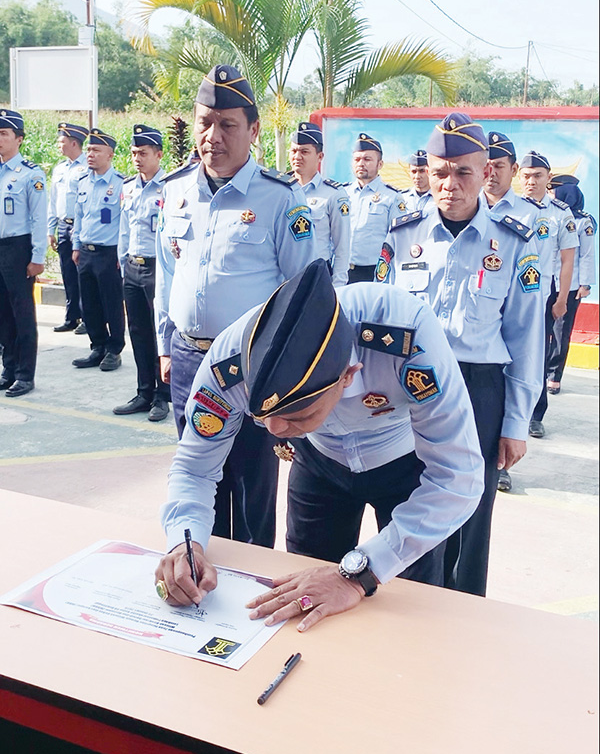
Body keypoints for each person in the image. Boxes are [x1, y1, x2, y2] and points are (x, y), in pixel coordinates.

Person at [154, 259, 484, 630]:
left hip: (405, 466)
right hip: (319, 461)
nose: (275, 430)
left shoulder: (406, 335)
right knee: (302, 599)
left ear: (347, 376)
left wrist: (359, 574)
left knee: (406, 607)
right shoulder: (228, 361)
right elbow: (194, 465)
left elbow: (459, 477)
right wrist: (186, 541)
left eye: (297, 415)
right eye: (261, 416)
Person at [375, 113, 544, 597]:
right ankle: (411, 602)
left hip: (478, 388)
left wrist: (515, 422)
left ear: (485, 172)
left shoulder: (514, 242)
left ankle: (463, 612)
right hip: (410, 383)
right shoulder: (404, 232)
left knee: (471, 510)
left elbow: (526, 337)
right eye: (440, 172)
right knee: (408, 497)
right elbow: (381, 320)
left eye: (463, 172)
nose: (449, 184)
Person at [155, 63, 317, 548]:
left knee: (250, 489)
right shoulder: (175, 191)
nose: (213, 136)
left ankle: (249, 587)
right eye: (206, 122)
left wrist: (289, 379)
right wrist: (166, 346)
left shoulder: (281, 200)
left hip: (251, 367)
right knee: (195, 475)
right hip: (187, 358)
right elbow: (168, 275)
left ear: (254, 130)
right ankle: (197, 563)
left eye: (228, 124)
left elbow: (303, 292)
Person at [483, 130, 541, 492]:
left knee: (515, 368)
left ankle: (501, 464)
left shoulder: (530, 217)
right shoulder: (463, 208)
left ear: (513, 169)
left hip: (521, 299)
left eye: (499, 166)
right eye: (485, 166)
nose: (490, 173)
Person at [519, 151, 578, 438]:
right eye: (526, 176)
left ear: (548, 178)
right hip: (509, 296)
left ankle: (535, 414)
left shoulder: (560, 213)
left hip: (542, 296)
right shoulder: (509, 207)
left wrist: (562, 299)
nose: (531, 181)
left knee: (538, 356)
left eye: (537, 176)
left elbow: (568, 259)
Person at [114, 124, 170, 421]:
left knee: (158, 332)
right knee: (137, 331)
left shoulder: (170, 187)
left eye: (143, 153)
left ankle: (162, 395)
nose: (137, 158)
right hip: (132, 268)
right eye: (134, 152)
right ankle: (143, 391)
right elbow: (125, 229)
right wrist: (123, 262)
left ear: (158, 155)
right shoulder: (128, 187)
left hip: (157, 268)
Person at [0, 108, 47, 397]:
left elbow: (38, 218)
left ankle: (25, 374)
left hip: (19, 248)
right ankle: (8, 369)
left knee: (22, 314)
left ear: (19, 139)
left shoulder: (30, 174)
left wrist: (37, 257)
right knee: (2, 313)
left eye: (4, 134)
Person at [71, 128, 125, 372]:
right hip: (86, 251)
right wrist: (76, 246)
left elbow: (126, 224)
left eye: (96, 150)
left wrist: (121, 255)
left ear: (110, 154)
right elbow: (79, 218)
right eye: (89, 150)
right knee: (89, 303)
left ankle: (114, 349)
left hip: (109, 253)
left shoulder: (121, 184)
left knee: (111, 302)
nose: (90, 154)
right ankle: (98, 346)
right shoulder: (83, 183)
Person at [546, 175, 597, 393]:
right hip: (546, 282)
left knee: (561, 331)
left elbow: (586, 255)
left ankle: (554, 375)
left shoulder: (583, 222)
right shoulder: (547, 216)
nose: (549, 195)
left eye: (553, 190)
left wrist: (585, 284)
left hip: (571, 286)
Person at [288, 120, 350, 285]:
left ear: (320, 156)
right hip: (284, 276)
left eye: (304, 151)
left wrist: (338, 286)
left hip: (317, 277)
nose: (297, 157)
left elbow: (342, 247)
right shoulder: (279, 190)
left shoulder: (333, 194)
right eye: (293, 151)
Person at [344, 133, 406, 283]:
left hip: (373, 273)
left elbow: (399, 240)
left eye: (367, 159)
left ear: (380, 164)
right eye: (357, 159)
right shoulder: (342, 194)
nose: (361, 164)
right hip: (342, 271)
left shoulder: (392, 197)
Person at [47, 120, 88, 334]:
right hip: (64, 227)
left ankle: (88, 319)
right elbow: (53, 202)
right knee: (67, 273)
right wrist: (50, 230)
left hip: (81, 228)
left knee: (84, 275)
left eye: (62, 141)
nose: (58, 145)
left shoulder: (87, 168)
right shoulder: (59, 169)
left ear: (73, 143)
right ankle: (71, 316)